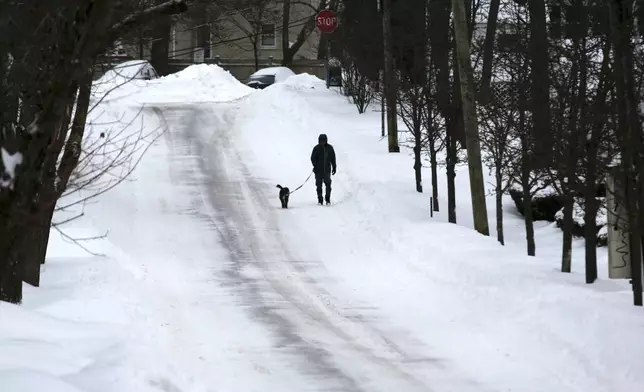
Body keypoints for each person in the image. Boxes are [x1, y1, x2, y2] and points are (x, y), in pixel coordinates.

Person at [310, 133, 337, 205]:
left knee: (328, 185)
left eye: (324, 140)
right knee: (319, 186)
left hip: (327, 171)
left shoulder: (330, 148)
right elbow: (312, 158)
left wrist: (334, 167)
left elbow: (333, 158)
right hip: (318, 171)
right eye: (321, 141)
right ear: (319, 141)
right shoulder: (316, 148)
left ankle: (327, 200)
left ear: (326, 141)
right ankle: (320, 200)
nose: (322, 142)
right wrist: (315, 165)